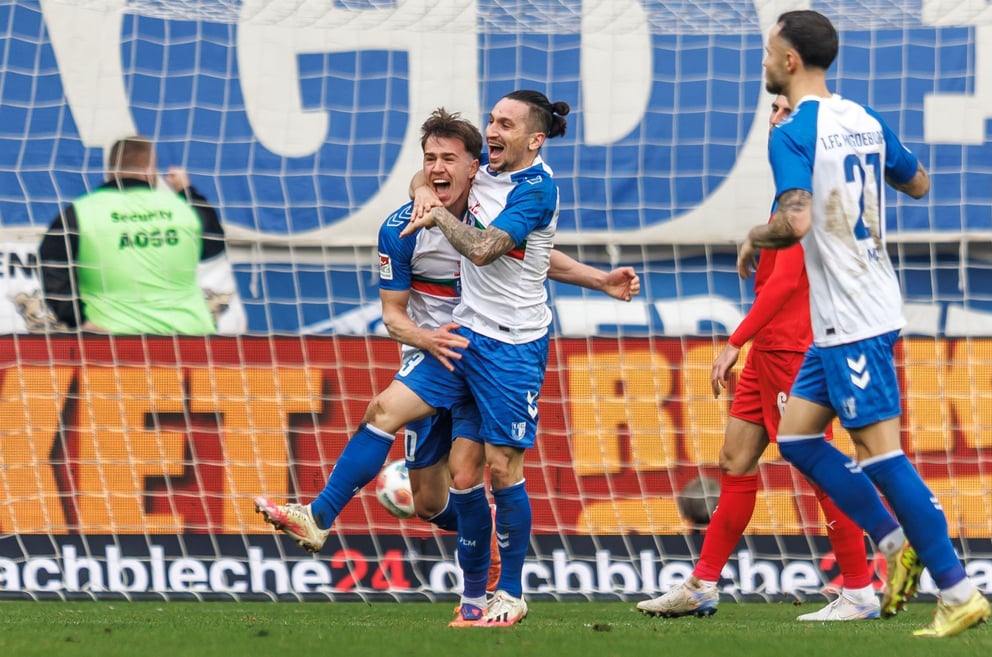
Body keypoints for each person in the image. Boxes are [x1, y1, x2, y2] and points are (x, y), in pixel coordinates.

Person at [254, 106, 638, 625]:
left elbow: (528, 254)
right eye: (429, 159)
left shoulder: (499, 196)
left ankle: (492, 593)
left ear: (475, 166)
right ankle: (318, 518)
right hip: (446, 345)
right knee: (422, 487)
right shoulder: (404, 225)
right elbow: (392, 314)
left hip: (507, 348)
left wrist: (598, 280)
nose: (437, 168)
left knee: (480, 473)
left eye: (448, 159)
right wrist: (422, 194)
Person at [735, 10, 990, 638]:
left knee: (882, 454)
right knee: (796, 439)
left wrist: (751, 234)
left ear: (790, 61)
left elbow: (793, 223)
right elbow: (920, 183)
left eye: (770, 52)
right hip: (850, 310)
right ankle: (894, 539)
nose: (764, 62)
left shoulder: (792, 131)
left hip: (853, 316)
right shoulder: (863, 119)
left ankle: (957, 589)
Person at [637, 95, 879, 622]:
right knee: (735, 462)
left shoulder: (804, 200)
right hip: (770, 353)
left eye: (784, 111)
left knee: (821, 472)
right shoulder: (792, 194)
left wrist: (734, 340)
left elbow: (785, 283)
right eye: (773, 110)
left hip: (790, 352)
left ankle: (861, 588)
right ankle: (702, 584)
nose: (773, 118)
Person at [397, 90, 575, 627]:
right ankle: (474, 596)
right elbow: (431, 173)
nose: (492, 130)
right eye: (491, 120)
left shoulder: (536, 190)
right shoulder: (485, 172)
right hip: (469, 335)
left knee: (502, 468)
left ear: (534, 139)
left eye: (505, 124)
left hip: (515, 345)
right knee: (462, 470)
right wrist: (423, 188)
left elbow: (481, 248)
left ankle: (513, 591)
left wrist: (433, 216)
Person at [39, 136, 223, 334]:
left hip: (114, 340)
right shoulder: (184, 208)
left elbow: (50, 263)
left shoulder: (81, 212)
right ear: (149, 170)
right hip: (189, 335)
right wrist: (187, 191)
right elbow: (214, 246)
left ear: (110, 171)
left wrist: (75, 318)